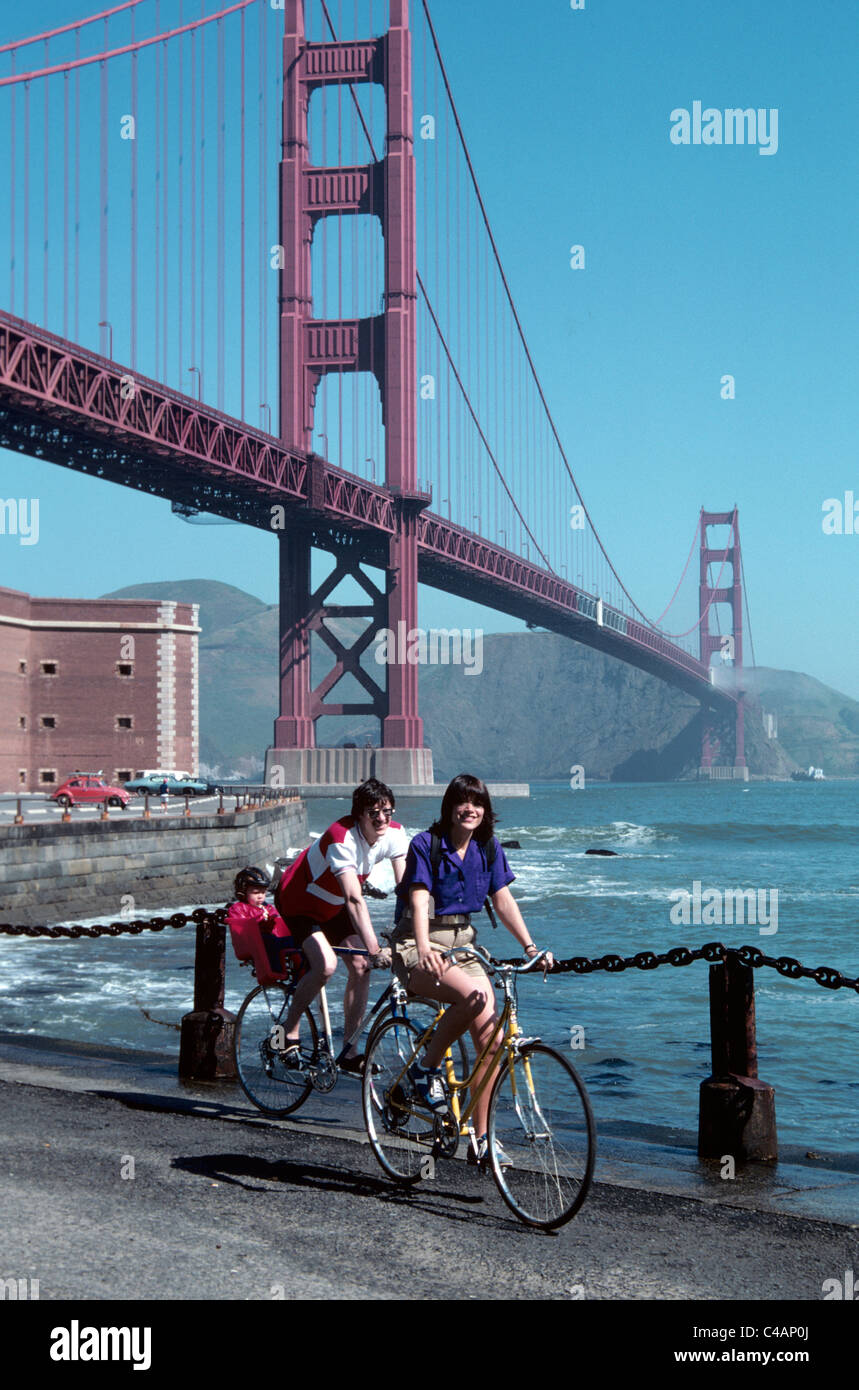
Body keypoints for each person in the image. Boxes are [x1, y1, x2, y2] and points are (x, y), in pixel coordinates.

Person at [391, 772, 552, 1169]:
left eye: (478, 803)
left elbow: (503, 900)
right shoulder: (425, 845)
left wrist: (530, 947)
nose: (471, 809)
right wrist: (425, 948)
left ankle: (482, 1139)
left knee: (491, 1043)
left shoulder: (488, 848)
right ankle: (424, 1069)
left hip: (464, 946)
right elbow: (419, 897)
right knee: (474, 996)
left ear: (486, 811)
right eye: (463, 802)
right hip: (419, 941)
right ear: (448, 807)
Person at [275, 778, 408, 1074]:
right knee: (326, 965)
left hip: (333, 906)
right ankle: (288, 1032)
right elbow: (354, 898)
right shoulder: (341, 837)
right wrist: (374, 948)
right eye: (374, 813)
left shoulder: (394, 834)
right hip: (300, 902)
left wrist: (417, 933)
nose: (383, 819)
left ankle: (350, 1051)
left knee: (361, 966)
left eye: (388, 811)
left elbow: (407, 888)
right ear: (359, 814)